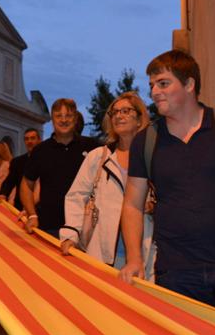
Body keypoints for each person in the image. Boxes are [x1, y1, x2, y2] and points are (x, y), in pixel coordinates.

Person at [119, 50, 215, 307]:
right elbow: (131, 204)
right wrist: (134, 259)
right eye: (152, 85)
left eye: (163, 83)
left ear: (189, 84)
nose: (154, 92)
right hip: (175, 274)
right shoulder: (145, 141)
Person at [60, 92, 156, 279]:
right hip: (102, 251)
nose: (119, 116)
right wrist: (71, 233)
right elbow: (76, 196)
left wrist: (154, 205)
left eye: (126, 111)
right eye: (115, 112)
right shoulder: (98, 156)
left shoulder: (154, 156)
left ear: (139, 118)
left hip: (144, 250)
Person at [21, 99, 99, 238]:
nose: (63, 120)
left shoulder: (92, 147)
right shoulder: (40, 150)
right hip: (49, 228)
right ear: (52, 118)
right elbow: (27, 184)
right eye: (59, 116)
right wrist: (32, 215)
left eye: (68, 116)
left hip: (85, 229)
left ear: (75, 118)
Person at [0, 128, 41, 209]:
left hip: (41, 210)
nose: (29, 142)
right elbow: (9, 181)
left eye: (32, 138)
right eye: (26, 139)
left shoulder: (47, 160)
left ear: (39, 140)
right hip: (20, 208)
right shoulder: (17, 162)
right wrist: (3, 194)